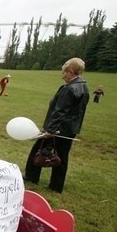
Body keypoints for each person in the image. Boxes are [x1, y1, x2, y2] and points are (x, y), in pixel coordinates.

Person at [23, 58, 89, 193]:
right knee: (62, 156)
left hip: (59, 130)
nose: (62, 75)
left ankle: (31, 177)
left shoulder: (70, 89)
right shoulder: (83, 86)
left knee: (38, 150)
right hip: (70, 129)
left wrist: (50, 130)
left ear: (70, 71)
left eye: (64, 72)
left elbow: (60, 111)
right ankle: (56, 186)